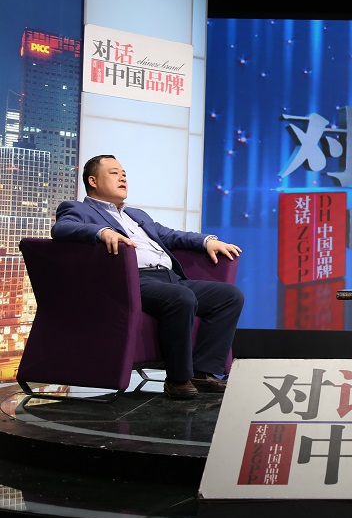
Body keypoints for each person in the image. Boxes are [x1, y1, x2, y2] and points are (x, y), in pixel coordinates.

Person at [51, 155, 245, 400]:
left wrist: (207, 241)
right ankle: (178, 379)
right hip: (132, 281)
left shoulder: (135, 214)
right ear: (93, 181)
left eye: (124, 174)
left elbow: (169, 235)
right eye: (114, 173)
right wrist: (102, 232)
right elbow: (62, 228)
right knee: (181, 297)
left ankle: (203, 372)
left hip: (169, 278)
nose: (122, 178)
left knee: (229, 296)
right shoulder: (78, 209)